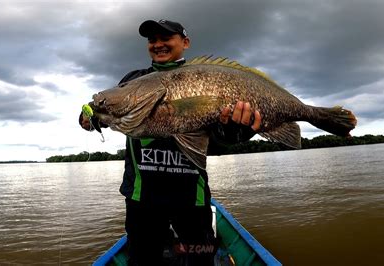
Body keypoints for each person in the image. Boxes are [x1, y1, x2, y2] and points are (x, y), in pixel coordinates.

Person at [80, 19, 261, 265]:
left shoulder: (204, 78)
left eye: (166, 38)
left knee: (200, 259)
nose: (158, 44)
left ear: (185, 42)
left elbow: (218, 144)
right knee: (143, 259)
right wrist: (89, 117)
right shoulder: (134, 79)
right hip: (141, 199)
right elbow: (105, 111)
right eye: (152, 40)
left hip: (191, 199)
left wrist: (239, 130)